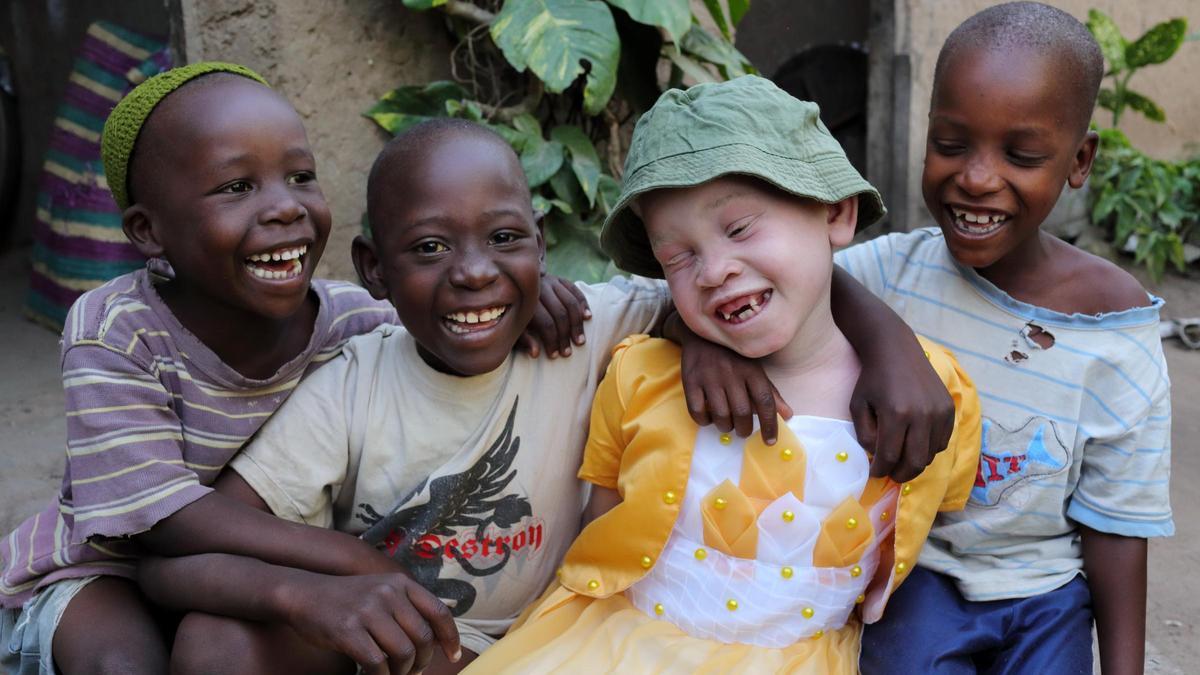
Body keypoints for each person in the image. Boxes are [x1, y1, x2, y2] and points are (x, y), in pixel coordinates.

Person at [137, 116, 967, 675]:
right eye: (429, 246)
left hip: (555, 637)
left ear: (542, 247)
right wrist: (316, 589)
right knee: (215, 641)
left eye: (504, 240)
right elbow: (171, 562)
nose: (472, 272)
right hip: (401, 645)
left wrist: (868, 343)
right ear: (373, 270)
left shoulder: (595, 326)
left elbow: (761, 294)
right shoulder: (350, 392)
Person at [0, 63, 590, 675]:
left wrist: (522, 292)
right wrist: (350, 566)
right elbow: (161, 524)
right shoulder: (115, 332)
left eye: (300, 176)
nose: (285, 207)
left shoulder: (354, 319)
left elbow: (451, 302)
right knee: (123, 664)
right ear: (149, 231)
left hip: (255, 564)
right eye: (236, 187)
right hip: (111, 565)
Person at [462, 76, 983, 675]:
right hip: (618, 649)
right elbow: (600, 536)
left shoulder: (935, 394)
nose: (713, 270)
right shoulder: (641, 376)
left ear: (836, 213)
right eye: (677, 256)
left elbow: (936, 526)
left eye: (738, 228)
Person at [845, 4, 1174, 674]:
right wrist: (886, 336)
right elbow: (785, 288)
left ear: (1079, 160)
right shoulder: (892, 273)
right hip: (916, 576)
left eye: (1020, 155)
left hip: (1045, 591)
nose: (976, 177)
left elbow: (1116, 525)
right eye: (950, 143)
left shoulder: (1115, 334)